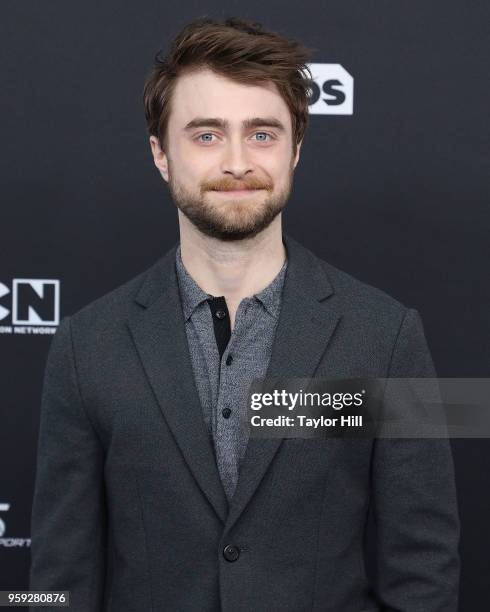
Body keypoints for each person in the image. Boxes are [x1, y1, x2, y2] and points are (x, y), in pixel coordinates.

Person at [29, 16, 460, 612]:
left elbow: (424, 566)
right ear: (160, 154)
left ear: (296, 149)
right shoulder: (86, 345)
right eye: (206, 135)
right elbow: (56, 581)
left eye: (262, 134)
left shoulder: (387, 336)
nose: (237, 162)